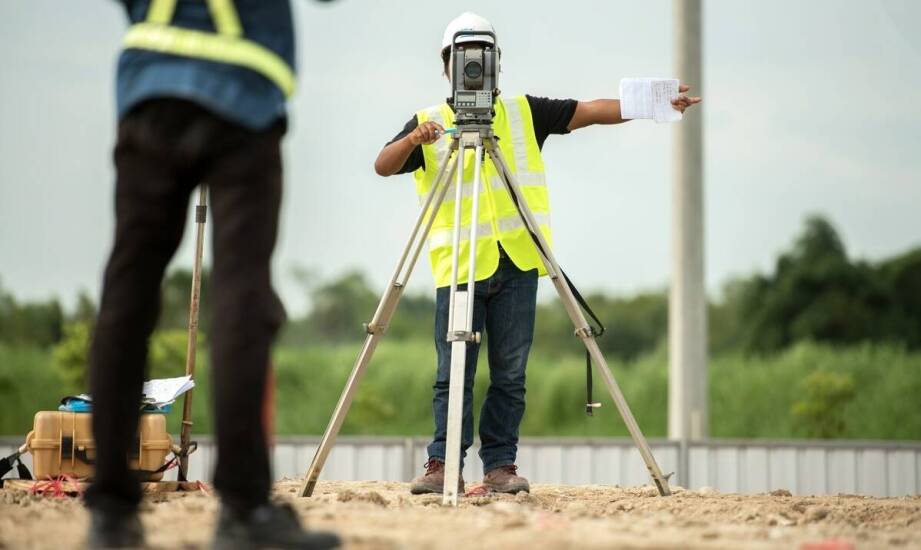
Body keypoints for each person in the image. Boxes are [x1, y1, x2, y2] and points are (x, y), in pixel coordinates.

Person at [374, 12, 701, 495]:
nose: (473, 68)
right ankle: (442, 465)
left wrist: (653, 103)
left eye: (482, 59)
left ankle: (499, 467)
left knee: (510, 374)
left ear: (497, 63)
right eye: (464, 60)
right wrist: (412, 140)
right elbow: (383, 165)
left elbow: (590, 111)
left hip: (520, 263)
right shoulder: (428, 124)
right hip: (460, 269)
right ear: (447, 66)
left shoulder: (523, 113)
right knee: (452, 373)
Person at [84, 1, 339, 548]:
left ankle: (110, 515)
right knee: (242, 297)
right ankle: (243, 510)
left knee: (128, 294)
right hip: (244, 98)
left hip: (149, 86)